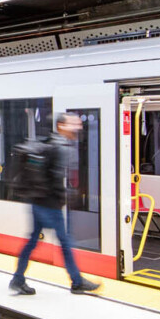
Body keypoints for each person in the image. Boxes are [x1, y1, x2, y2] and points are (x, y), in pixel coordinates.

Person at [8, 112, 101, 296]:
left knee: (33, 241)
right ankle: (76, 281)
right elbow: (58, 177)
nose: (78, 126)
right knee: (65, 242)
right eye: (72, 123)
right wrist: (64, 197)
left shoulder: (47, 142)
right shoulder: (60, 147)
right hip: (49, 204)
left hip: (36, 201)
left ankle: (18, 279)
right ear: (61, 126)